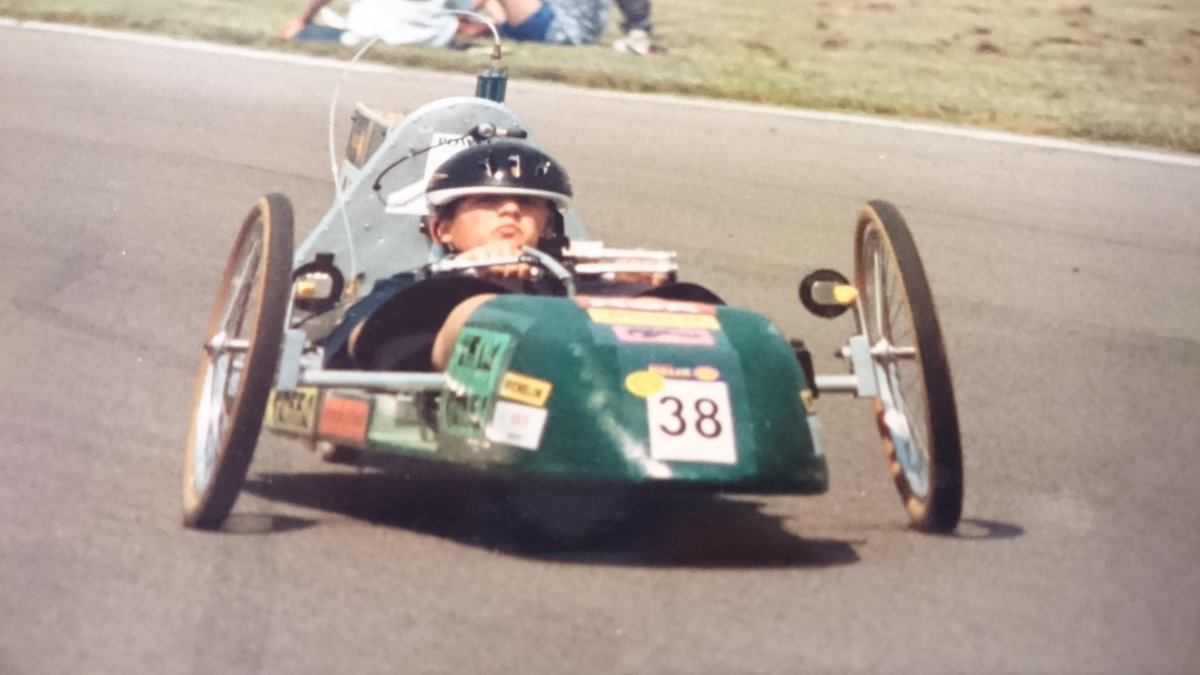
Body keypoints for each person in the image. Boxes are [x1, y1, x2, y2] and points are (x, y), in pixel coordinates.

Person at [323, 139, 574, 372]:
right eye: (488, 200)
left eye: (527, 202)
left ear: (547, 226)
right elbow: (355, 341)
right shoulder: (408, 287)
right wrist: (456, 282)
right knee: (477, 317)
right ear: (441, 230)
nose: (511, 209)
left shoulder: (565, 285)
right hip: (431, 399)